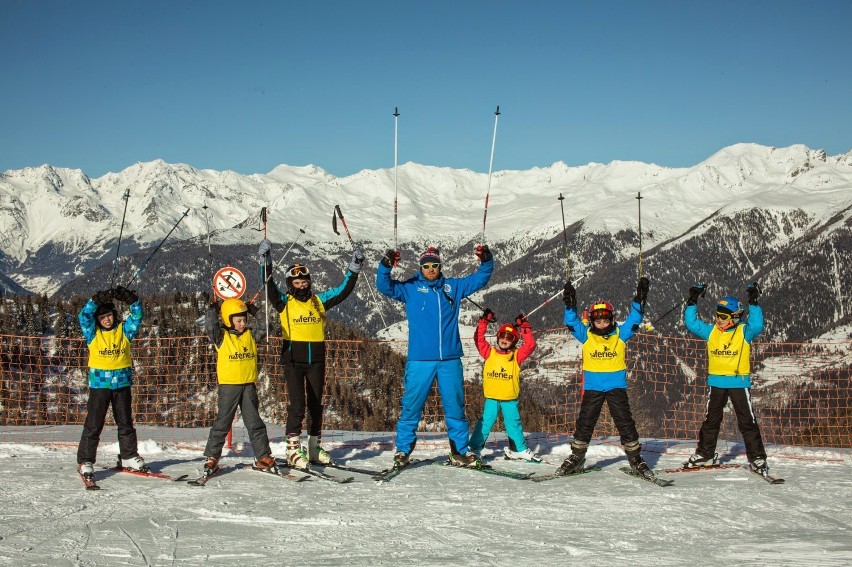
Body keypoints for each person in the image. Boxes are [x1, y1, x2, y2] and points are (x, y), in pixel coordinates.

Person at [376, 245, 494, 469]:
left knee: (456, 407)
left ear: (440, 266)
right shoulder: (410, 288)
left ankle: (459, 451)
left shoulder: (453, 287)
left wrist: (487, 262)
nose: (431, 269)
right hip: (420, 360)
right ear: (421, 268)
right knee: (411, 406)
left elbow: (480, 279)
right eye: (426, 266)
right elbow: (384, 286)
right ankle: (403, 450)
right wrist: (385, 265)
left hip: (450, 359)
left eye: (435, 265)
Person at [259, 239, 364, 470]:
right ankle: (292, 450)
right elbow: (268, 285)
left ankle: (314, 447)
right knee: (297, 405)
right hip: (293, 361)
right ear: (290, 284)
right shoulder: (284, 302)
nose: (302, 285)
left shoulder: (319, 301)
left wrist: (354, 269)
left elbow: (343, 290)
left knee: (316, 405)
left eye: (305, 281)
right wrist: (265, 261)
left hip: (316, 360)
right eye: (297, 282)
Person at [557, 277, 652, 477]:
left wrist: (639, 299)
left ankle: (635, 458)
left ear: (612, 320)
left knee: (625, 422)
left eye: (606, 320)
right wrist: (570, 304)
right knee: (585, 422)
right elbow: (571, 321)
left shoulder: (620, 334)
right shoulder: (586, 335)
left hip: (616, 386)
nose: (602, 324)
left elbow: (635, 320)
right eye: (598, 321)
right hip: (593, 387)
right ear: (592, 321)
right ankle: (577, 457)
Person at [682, 282, 769, 474]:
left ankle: (757, 458)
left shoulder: (744, 332)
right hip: (716, 383)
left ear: (735, 317)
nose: (718, 320)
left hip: (739, 383)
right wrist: (692, 301)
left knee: (747, 421)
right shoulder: (711, 332)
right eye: (717, 315)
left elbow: (758, 324)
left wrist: (753, 302)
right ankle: (705, 454)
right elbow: (692, 323)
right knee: (711, 420)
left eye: (723, 316)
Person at [201, 297, 278, 476]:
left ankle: (263, 456)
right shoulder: (221, 337)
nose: (242, 323)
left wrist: (254, 311)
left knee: (255, 423)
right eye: (238, 320)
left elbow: (265, 325)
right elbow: (210, 326)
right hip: (229, 387)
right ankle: (212, 457)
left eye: (244, 319)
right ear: (228, 320)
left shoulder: (251, 335)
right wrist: (213, 309)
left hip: (248, 386)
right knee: (223, 422)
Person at [76, 286, 145, 478]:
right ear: (97, 321)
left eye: (109, 315)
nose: (106, 320)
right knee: (94, 423)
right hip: (100, 385)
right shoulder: (92, 334)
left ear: (114, 315)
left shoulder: (124, 331)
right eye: (102, 317)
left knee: (125, 422)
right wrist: (96, 300)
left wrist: (132, 299)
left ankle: (129, 455)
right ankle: (85, 459)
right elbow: (84, 316)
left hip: (122, 384)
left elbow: (138, 316)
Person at [468, 309, 540, 461]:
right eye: (502, 335)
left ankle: (518, 449)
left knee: (513, 423)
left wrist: (524, 327)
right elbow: (479, 339)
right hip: (492, 398)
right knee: (485, 423)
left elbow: (531, 345)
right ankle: (474, 448)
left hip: (509, 398)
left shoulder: (516, 356)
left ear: (514, 340)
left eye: (510, 337)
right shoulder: (489, 353)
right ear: (498, 336)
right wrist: (484, 322)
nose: (505, 339)